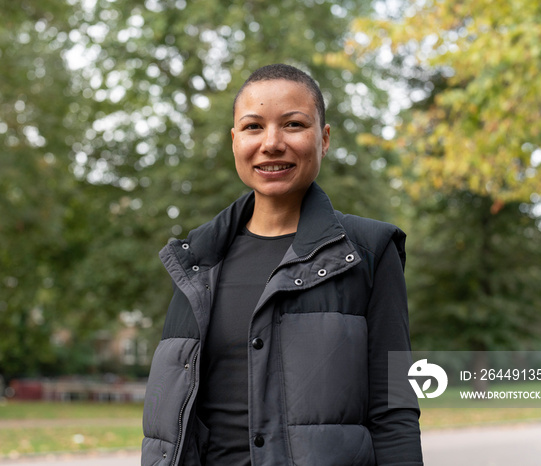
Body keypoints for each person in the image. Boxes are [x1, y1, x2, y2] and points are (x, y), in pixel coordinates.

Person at [141, 64, 422, 466]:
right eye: (253, 127)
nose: (271, 143)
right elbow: (168, 424)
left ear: (323, 140)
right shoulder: (194, 260)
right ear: (235, 141)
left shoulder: (370, 250)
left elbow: (394, 405)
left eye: (293, 124)